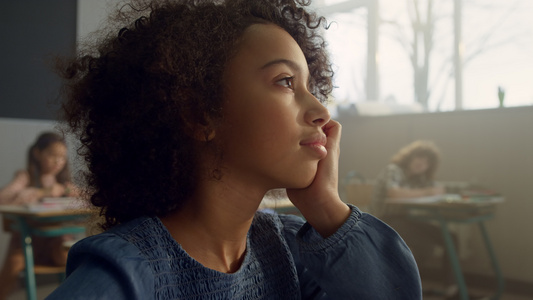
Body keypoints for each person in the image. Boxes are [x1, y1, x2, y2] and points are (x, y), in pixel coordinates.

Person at [47, 0, 422, 299]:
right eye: (286, 81)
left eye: (313, 88)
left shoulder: (290, 250)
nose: (322, 111)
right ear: (200, 114)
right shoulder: (130, 269)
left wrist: (325, 205)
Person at [368, 140, 457, 296]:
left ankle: (451, 288)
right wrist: (428, 192)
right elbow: (394, 193)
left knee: (450, 237)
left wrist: (433, 190)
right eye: (419, 158)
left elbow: (437, 189)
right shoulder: (393, 170)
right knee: (424, 244)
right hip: (384, 220)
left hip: (405, 219)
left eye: (427, 162)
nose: (421, 163)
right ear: (409, 157)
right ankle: (407, 287)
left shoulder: (418, 178)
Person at [0, 131, 79, 300]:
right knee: (13, 266)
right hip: (26, 240)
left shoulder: (63, 182)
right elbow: (2, 198)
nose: (58, 161)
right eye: (52, 155)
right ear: (37, 153)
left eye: (62, 157)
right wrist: (43, 192)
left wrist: (75, 193)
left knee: (73, 259)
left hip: (56, 241)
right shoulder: (26, 176)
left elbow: (87, 198)